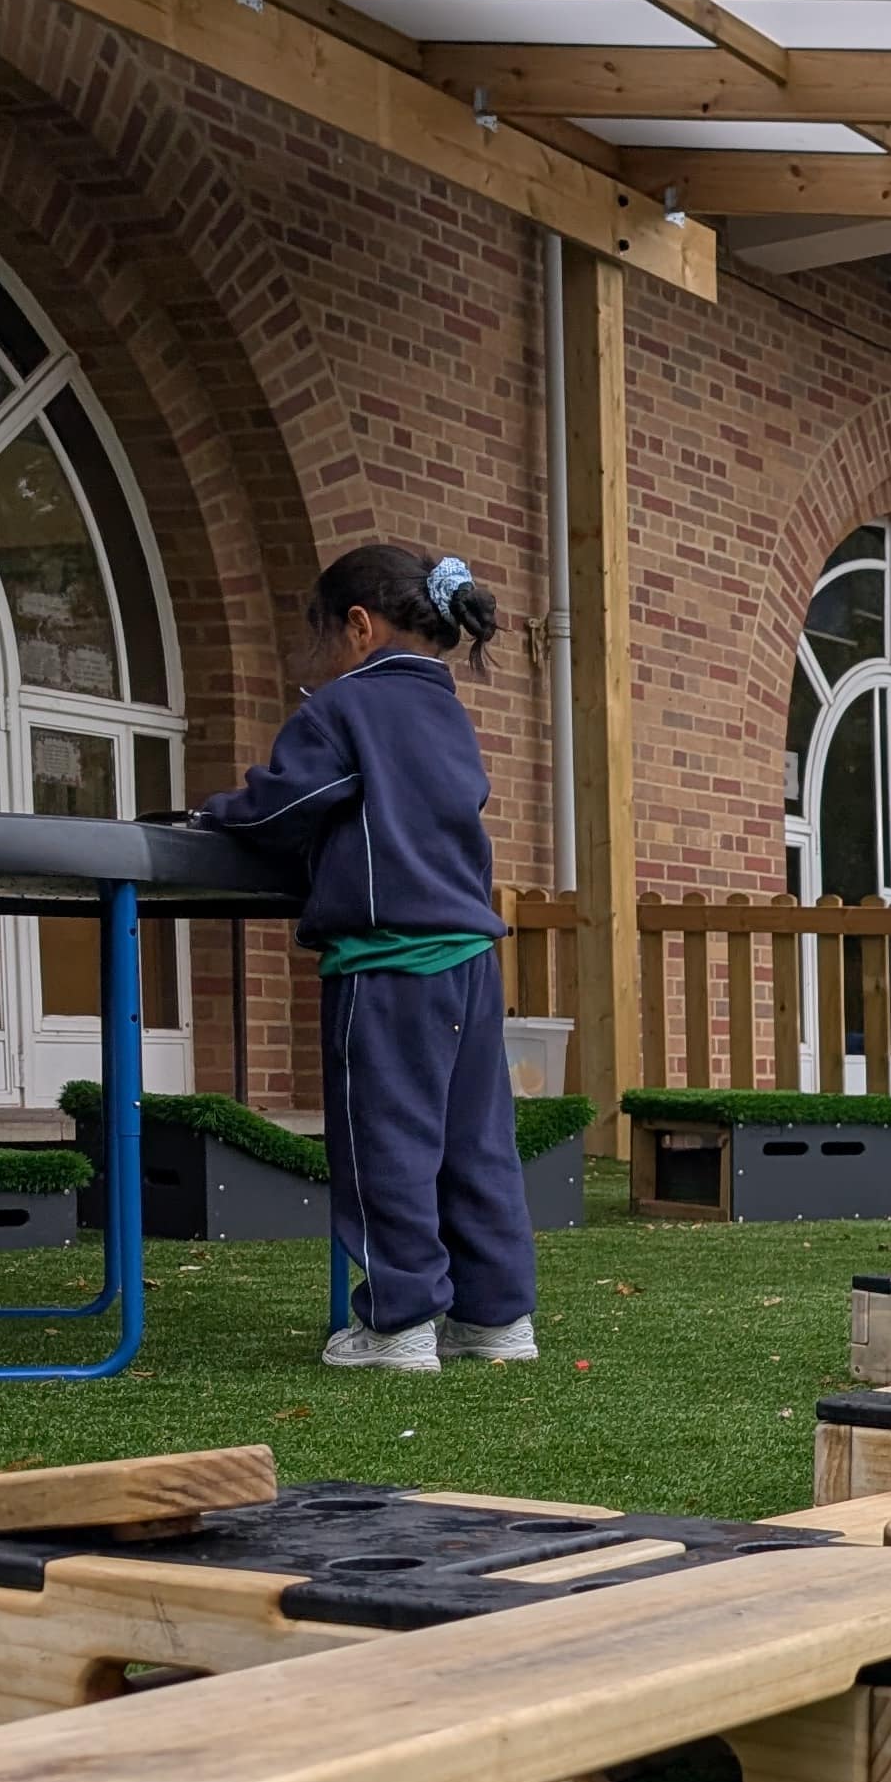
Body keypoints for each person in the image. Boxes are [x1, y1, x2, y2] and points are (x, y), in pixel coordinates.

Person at [198, 544, 538, 1373]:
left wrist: (213, 815)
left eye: (320, 635)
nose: (316, 657)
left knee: (386, 1146)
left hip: (389, 965)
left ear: (358, 625)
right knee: (475, 1145)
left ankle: (398, 1325)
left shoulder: (345, 708)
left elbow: (286, 805)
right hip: (470, 962)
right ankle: (496, 1320)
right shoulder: (448, 712)